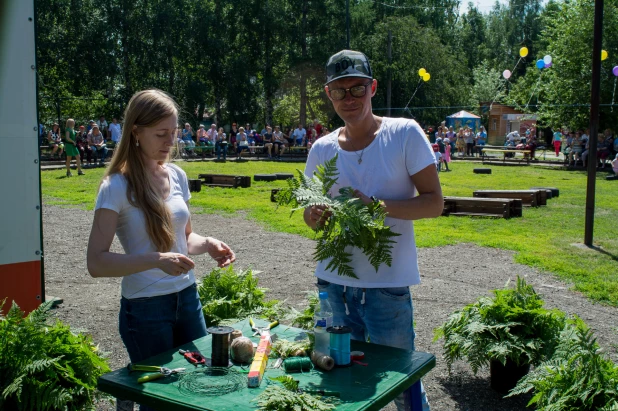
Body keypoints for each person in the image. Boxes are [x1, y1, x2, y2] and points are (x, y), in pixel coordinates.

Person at [305, 50, 441, 411]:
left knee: (401, 382)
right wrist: (314, 215)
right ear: (328, 94)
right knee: (338, 380)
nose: (349, 99)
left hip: (387, 286)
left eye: (357, 89)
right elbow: (308, 210)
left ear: (373, 88)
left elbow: (433, 203)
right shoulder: (321, 149)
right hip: (334, 285)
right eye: (340, 91)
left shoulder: (403, 134)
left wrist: (377, 207)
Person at [87, 89, 236, 411]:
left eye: (174, 132)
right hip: (145, 309)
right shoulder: (115, 186)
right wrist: (155, 260)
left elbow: (184, 240)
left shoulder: (177, 176)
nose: (170, 142)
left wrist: (207, 244)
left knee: (198, 387)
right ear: (135, 132)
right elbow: (96, 262)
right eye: (161, 134)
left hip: (187, 298)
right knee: (161, 400)